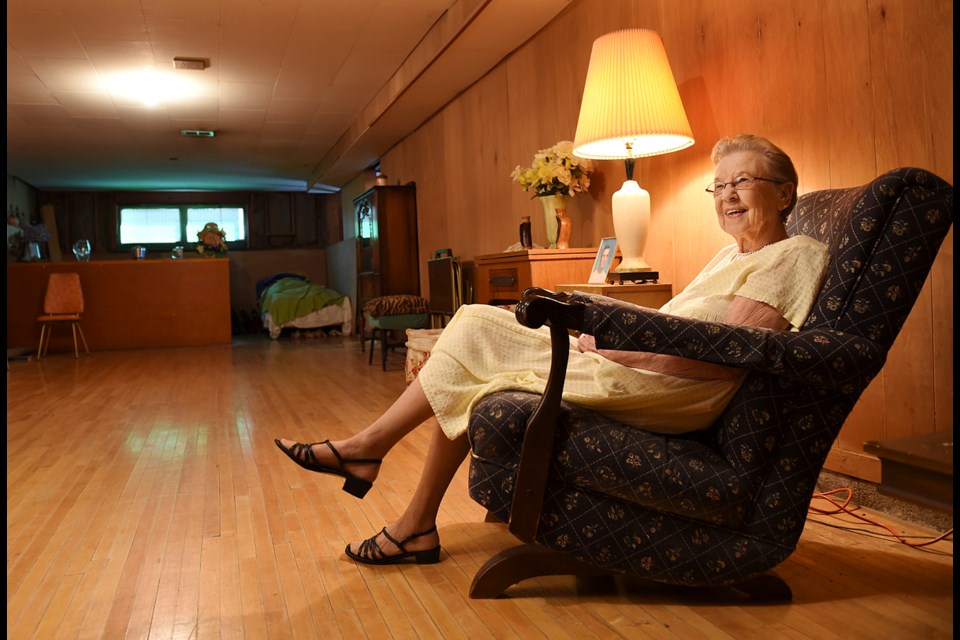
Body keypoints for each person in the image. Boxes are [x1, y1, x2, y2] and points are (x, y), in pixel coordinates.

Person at [275, 134, 830, 566]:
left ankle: (369, 452)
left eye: (744, 182)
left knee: (472, 327)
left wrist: (618, 350)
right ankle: (413, 518)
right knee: (479, 334)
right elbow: (673, 321)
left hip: (670, 387)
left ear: (784, 193)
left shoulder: (794, 254)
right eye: (720, 186)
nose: (728, 195)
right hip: (642, 367)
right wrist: (607, 324)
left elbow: (729, 353)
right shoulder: (729, 257)